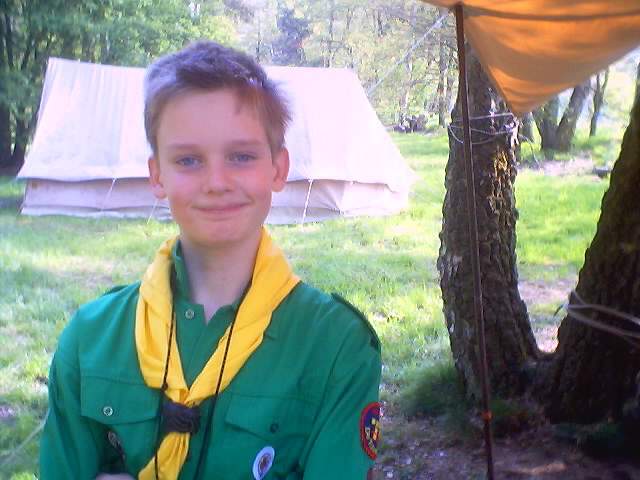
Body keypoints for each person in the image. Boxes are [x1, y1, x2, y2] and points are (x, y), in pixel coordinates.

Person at [39, 41, 382, 480]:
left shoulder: (337, 346)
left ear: (278, 169)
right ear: (157, 175)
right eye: (188, 160)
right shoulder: (92, 337)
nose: (217, 182)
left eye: (241, 156)